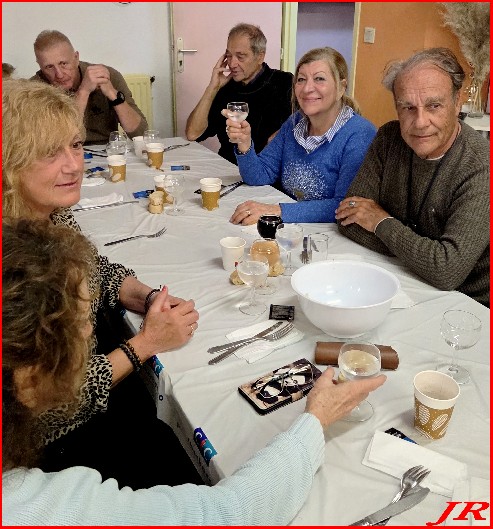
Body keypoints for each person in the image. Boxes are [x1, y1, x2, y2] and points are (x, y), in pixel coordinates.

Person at [2, 218, 387, 525]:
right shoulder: (33, 506)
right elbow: (229, 514)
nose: (92, 333)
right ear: (30, 378)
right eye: (83, 325)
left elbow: (100, 273)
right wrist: (316, 420)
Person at [2, 78, 202, 488]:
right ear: (10, 162)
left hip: (97, 384)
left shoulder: (50, 214)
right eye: (49, 152)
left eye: (75, 145)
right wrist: (146, 343)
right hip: (51, 446)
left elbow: (99, 269)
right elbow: (44, 406)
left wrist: (148, 297)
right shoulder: (15, 264)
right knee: (177, 458)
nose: (73, 165)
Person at [335, 48, 489, 306]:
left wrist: (380, 221)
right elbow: (347, 219)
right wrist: (424, 255)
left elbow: (447, 271)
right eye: (408, 107)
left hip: (464, 304)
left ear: (457, 102)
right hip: (401, 280)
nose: (420, 122)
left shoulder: (481, 165)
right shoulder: (388, 139)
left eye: (434, 106)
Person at [227, 47, 377, 225]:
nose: (307, 88)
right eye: (301, 79)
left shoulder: (360, 134)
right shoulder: (294, 123)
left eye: (319, 79)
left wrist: (276, 211)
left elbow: (346, 207)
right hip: (289, 227)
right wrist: (244, 144)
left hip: (328, 234)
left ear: (341, 88)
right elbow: (258, 176)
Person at [185, 23, 293, 165]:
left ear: (260, 56)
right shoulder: (225, 87)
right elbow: (193, 134)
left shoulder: (284, 82)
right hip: (229, 166)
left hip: (267, 169)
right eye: (229, 56)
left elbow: (305, 127)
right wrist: (212, 88)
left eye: (240, 57)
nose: (232, 64)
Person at [31, 29, 148, 144]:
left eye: (64, 64)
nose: (59, 74)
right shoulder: (33, 90)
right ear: (40, 66)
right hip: (63, 152)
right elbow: (59, 141)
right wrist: (84, 91)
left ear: (76, 58)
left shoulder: (106, 75)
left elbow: (141, 134)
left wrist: (113, 95)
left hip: (107, 150)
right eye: (49, 67)